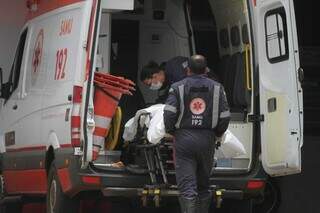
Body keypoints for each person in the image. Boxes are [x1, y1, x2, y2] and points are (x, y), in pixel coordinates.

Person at [163, 55, 230, 213]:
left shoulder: (176, 87)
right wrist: (217, 132)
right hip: (207, 139)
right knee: (203, 186)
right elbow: (225, 116)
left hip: (184, 140)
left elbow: (169, 113)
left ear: (187, 70)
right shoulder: (217, 88)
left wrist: (172, 131)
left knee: (187, 187)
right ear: (206, 70)